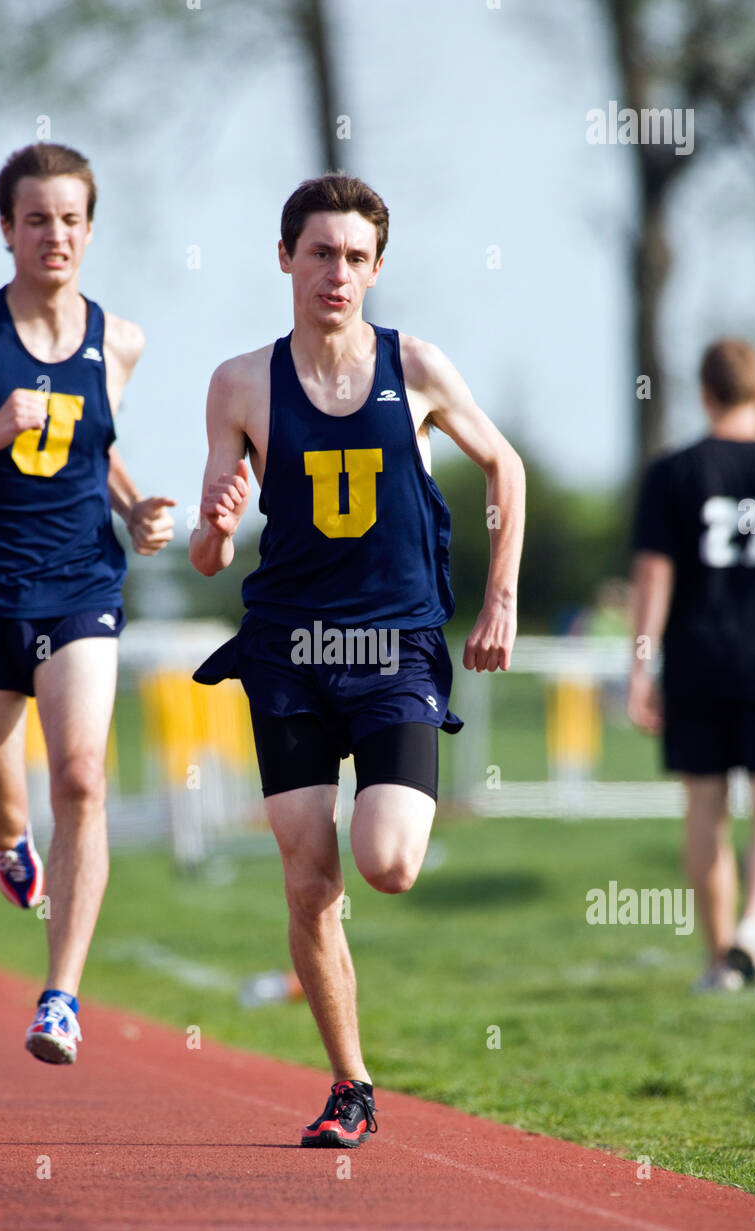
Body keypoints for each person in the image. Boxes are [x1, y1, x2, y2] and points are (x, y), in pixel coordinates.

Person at [190, 173, 525, 1146]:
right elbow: (211, 548)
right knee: (307, 877)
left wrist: (496, 596)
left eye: (354, 257)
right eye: (319, 252)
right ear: (284, 256)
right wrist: (213, 531)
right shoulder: (239, 383)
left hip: (393, 648)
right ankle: (351, 1084)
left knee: (384, 863)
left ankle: (345, 1043)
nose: (335, 272)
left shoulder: (413, 365)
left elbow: (501, 462)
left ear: (376, 270)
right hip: (289, 648)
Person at [0, 143, 175, 1063]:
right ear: (7, 230)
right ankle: (7, 845)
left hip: (79, 588)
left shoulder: (121, 340)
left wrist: (134, 506)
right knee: (0, 808)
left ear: (89, 230)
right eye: (36, 219)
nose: (53, 235)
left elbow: (88, 445)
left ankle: (60, 998)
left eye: (69, 219)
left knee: (82, 778)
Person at [629, 338, 755, 991]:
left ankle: (720, 961)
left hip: (695, 658)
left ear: (705, 393)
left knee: (705, 809)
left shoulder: (674, 472)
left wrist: (639, 665)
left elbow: (653, 576)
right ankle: (754, 930)